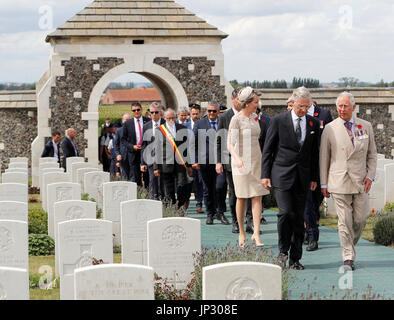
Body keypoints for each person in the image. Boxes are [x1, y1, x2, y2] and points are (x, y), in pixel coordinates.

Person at [261, 86, 320, 270]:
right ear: (293, 102)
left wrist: (314, 177)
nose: (303, 110)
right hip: (282, 175)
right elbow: (268, 149)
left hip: (303, 178)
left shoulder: (313, 124)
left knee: (298, 218)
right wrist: (265, 175)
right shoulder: (279, 121)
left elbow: (314, 154)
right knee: (285, 213)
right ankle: (282, 251)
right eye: (300, 106)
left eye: (307, 107)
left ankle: (295, 258)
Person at [320, 92, 377, 271]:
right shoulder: (330, 128)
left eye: (345, 106)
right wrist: (324, 183)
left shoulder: (365, 126)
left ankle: (349, 246)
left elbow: (372, 154)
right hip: (339, 180)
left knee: (360, 219)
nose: (342, 109)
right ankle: (348, 258)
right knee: (344, 221)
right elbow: (324, 157)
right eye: (339, 106)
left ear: (353, 107)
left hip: (360, 180)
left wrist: (370, 176)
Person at [228, 87, 269, 248]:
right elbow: (230, 144)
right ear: (247, 103)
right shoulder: (236, 119)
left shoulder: (255, 117)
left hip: (256, 159)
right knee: (242, 196)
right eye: (255, 102)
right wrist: (238, 159)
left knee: (257, 195)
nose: (258, 104)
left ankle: (256, 233)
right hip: (241, 161)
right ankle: (241, 233)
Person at [216, 88, 255, 234]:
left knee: (251, 194)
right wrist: (218, 162)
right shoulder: (224, 117)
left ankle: (250, 222)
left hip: (250, 161)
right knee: (234, 193)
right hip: (231, 162)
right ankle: (236, 222)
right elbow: (219, 141)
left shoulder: (251, 116)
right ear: (234, 100)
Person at [192, 102, 230, 225]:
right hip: (205, 161)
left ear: (218, 111)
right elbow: (193, 143)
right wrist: (195, 160)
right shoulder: (199, 123)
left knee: (220, 186)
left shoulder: (224, 122)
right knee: (207, 189)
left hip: (222, 161)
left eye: (214, 111)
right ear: (206, 111)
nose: (212, 113)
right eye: (209, 111)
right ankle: (210, 213)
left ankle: (221, 212)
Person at [303, 100, 333, 251]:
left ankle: (309, 228)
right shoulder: (297, 117)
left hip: (321, 165)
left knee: (315, 203)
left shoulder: (324, 114)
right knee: (307, 203)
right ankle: (312, 236)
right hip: (306, 167)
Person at [153, 108, 193, 212]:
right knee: (168, 188)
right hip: (166, 163)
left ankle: (179, 203)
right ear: (164, 118)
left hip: (180, 163)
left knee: (182, 185)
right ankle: (172, 207)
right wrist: (156, 167)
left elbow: (186, 148)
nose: (171, 120)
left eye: (173, 118)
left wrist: (189, 165)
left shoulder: (182, 128)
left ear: (175, 118)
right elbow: (156, 149)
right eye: (168, 118)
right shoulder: (159, 130)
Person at [141, 102, 166, 200]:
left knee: (164, 183)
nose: (154, 115)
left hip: (164, 159)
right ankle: (154, 201)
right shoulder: (146, 126)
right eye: (152, 112)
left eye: (156, 112)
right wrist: (142, 162)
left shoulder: (166, 124)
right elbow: (144, 145)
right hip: (151, 159)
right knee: (153, 182)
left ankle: (165, 203)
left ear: (160, 112)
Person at [122, 103, 150, 186]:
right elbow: (123, 140)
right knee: (136, 176)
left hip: (146, 152)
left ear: (141, 110)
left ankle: (149, 194)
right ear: (132, 112)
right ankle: (139, 195)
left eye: (138, 109)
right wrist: (132, 146)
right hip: (134, 153)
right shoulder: (128, 124)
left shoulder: (148, 121)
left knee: (147, 176)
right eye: (134, 110)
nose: (136, 112)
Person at [189, 103, 204, 213]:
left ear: (200, 114)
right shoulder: (185, 125)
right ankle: (185, 204)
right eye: (193, 114)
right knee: (188, 183)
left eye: (197, 114)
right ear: (190, 113)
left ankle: (199, 203)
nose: (195, 116)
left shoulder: (203, 124)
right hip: (187, 159)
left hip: (199, 158)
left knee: (199, 182)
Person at [113, 113, 131, 180]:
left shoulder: (134, 130)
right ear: (123, 120)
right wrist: (118, 154)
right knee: (125, 175)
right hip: (123, 157)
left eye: (129, 120)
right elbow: (116, 144)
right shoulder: (119, 130)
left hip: (133, 156)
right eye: (126, 120)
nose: (127, 121)